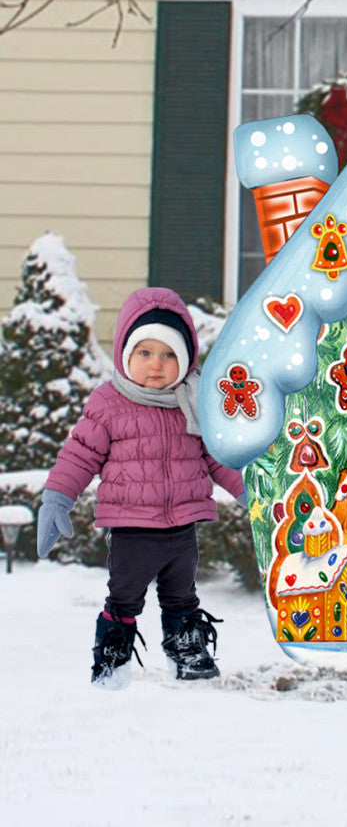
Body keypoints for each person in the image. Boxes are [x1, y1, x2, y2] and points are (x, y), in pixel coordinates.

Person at [37, 287, 247, 688]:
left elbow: (216, 456)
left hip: (183, 525)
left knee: (182, 596)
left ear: (185, 359)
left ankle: (187, 650)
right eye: (145, 352)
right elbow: (79, 455)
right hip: (132, 528)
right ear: (125, 354)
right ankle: (113, 659)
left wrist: (247, 491)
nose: (157, 365)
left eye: (170, 354)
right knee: (125, 596)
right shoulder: (109, 403)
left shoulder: (194, 401)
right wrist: (58, 498)